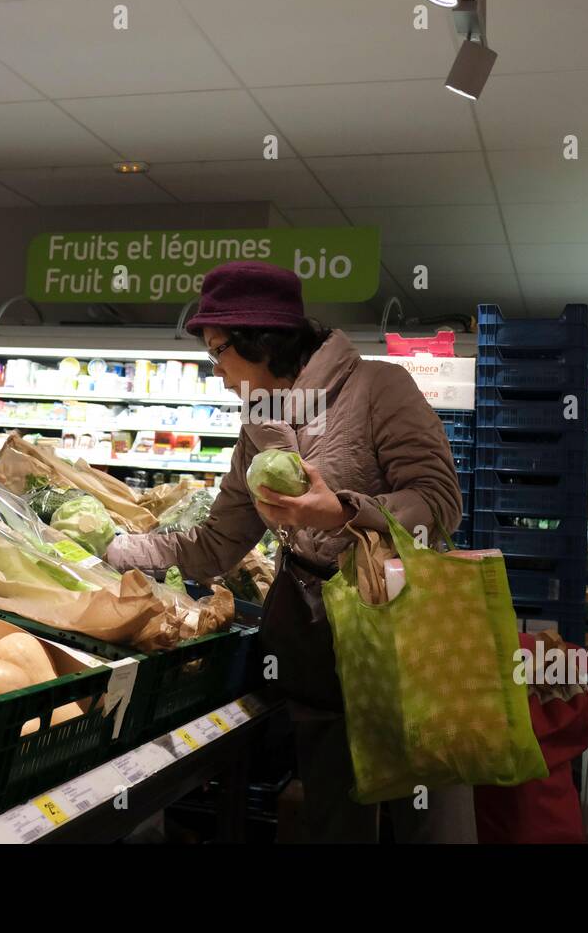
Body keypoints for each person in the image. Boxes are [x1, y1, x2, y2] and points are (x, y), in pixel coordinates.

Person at [106, 260, 476, 843]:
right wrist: (113, 548)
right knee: (335, 805)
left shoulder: (380, 387)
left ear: (261, 339)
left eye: (218, 352)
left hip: (404, 632)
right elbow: (215, 544)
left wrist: (344, 511)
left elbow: (439, 502)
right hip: (314, 639)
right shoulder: (260, 422)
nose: (219, 373)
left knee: (426, 809)